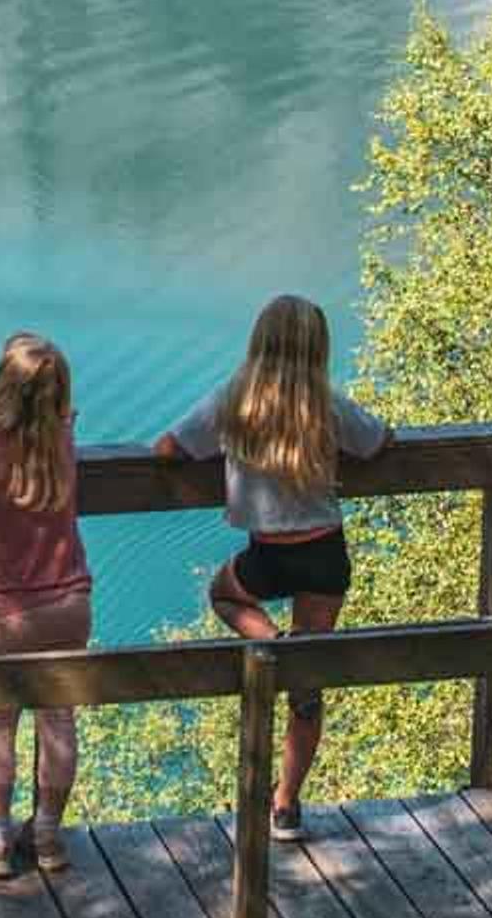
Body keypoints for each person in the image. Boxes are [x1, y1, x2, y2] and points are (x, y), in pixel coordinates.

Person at [153, 294, 391, 847]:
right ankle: (285, 806)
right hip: (325, 551)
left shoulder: (234, 400)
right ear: (317, 349)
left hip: (267, 555)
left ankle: (273, 644)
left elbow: (167, 449)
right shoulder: (324, 403)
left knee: (224, 595)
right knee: (308, 682)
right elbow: (379, 442)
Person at [0, 332, 93, 879]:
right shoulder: (67, 441)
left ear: (1, 392)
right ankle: (49, 834)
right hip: (71, 601)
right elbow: (65, 419)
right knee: (58, 718)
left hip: (8, 615)